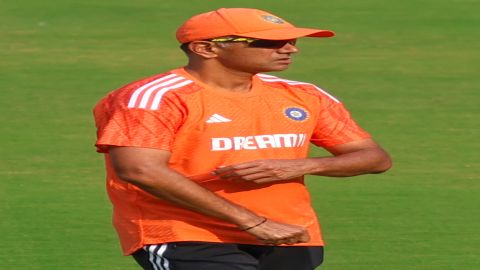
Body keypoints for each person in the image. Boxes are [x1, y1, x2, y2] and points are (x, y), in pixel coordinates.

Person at [93, 7, 392, 270]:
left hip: (291, 234)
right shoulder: (153, 98)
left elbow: (374, 158)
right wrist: (253, 222)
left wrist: (298, 167)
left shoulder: (304, 95)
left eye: (292, 40)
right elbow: (140, 170)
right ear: (206, 49)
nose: (290, 49)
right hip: (188, 234)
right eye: (269, 42)